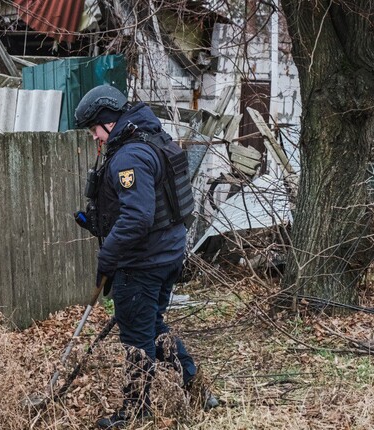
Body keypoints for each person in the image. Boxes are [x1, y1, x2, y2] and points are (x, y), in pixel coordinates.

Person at [73, 84, 217, 429]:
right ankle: (197, 389)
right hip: (164, 254)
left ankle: (136, 412)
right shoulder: (151, 139)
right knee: (152, 327)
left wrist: (107, 256)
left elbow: (137, 217)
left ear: (108, 120)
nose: (94, 136)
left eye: (94, 128)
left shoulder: (129, 156)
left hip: (142, 263)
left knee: (137, 339)